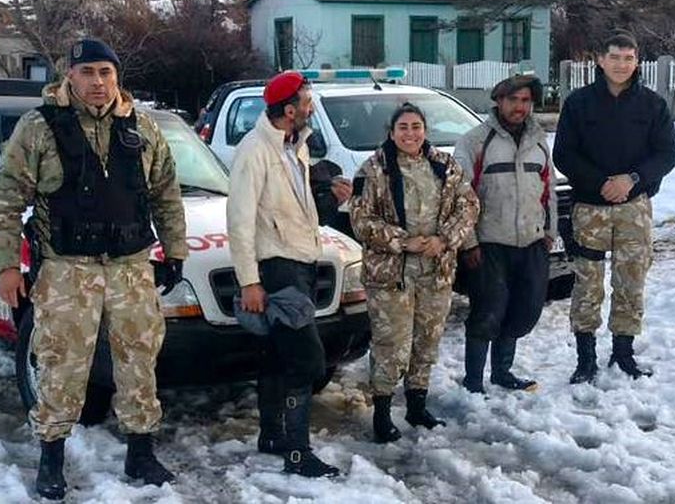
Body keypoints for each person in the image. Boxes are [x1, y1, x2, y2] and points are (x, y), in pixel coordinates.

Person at [0, 38, 188, 500]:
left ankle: (141, 451)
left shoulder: (141, 127)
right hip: (66, 269)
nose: (98, 82)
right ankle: (51, 457)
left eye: (106, 72)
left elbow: (165, 192)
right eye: (87, 73)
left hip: (130, 266)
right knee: (61, 364)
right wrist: (6, 266)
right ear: (69, 77)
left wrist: (174, 250)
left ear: (117, 76)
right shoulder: (38, 128)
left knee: (140, 361)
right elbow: (6, 198)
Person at [227, 71, 341, 478]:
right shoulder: (254, 150)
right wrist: (249, 281)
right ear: (289, 110)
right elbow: (238, 221)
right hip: (277, 270)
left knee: (278, 357)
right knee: (306, 362)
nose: (312, 108)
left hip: (301, 264)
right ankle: (297, 454)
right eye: (308, 103)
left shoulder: (296, 145)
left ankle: (272, 435)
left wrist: (327, 199)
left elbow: (297, 205)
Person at [553, 32, 675, 384]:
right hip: (590, 209)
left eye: (628, 58)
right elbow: (563, 153)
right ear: (600, 60)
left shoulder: (652, 105)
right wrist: (601, 184)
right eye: (615, 57)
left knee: (630, 280)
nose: (621, 64)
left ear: (637, 61)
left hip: (634, 208)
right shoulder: (579, 103)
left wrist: (632, 180)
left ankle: (623, 354)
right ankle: (585, 358)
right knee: (587, 283)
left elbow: (668, 152)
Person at [349, 102, 479, 443]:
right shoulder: (374, 169)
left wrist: (444, 240)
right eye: (403, 127)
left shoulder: (443, 165)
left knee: (427, 340)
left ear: (425, 130)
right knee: (392, 343)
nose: (410, 133)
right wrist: (403, 241)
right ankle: (382, 412)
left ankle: (417, 405)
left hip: (435, 271)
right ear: (391, 133)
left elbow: (469, 206)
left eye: (416, 126)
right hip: (392, 274)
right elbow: (361, 220)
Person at [453, 75, 557, 394]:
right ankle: (473, 382)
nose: (520, 107)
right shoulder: (474, 141)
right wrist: (469, 242)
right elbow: (460, 195)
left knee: (524, 310)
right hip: (489, 245)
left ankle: (502, 372)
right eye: (513, 100)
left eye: (526, 101)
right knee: (488, 312)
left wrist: (549, 232)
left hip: (531, 242)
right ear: (499, 101)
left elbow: (548, 189)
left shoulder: (538, 141)